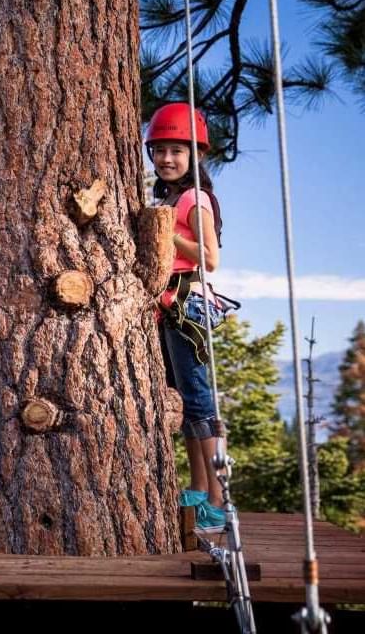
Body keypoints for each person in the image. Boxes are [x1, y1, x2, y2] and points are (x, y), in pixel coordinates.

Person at [146, 103, 229, 534]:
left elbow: (210, 258)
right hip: (172, 306)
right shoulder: (170, 197)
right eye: (160, 151)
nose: (167, 159)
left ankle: (218, 500)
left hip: (189, 302)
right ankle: (199, 489)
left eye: (177, 151)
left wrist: (165, 232)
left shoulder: (194, 198)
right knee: (186, 402)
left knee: (199, 404)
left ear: (195, 155)